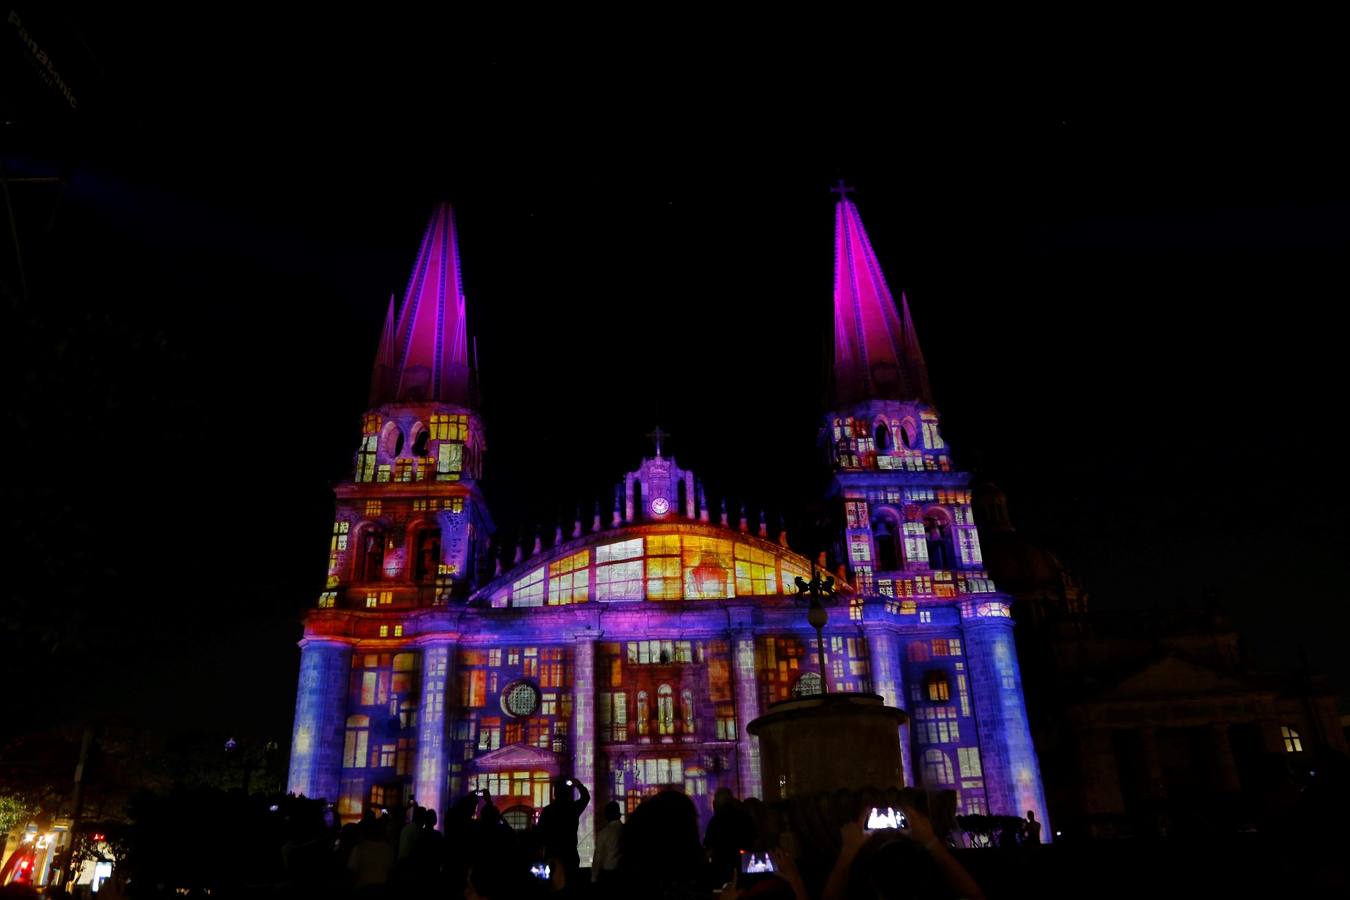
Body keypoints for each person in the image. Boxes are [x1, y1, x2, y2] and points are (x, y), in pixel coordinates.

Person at [536, 776, 590, 880]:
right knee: (571, 883)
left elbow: (540, 835)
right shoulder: (572, 808)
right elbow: (585, 797)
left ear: (555, 793)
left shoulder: (547, 811)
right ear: (569, 793)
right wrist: (578, 785)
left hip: (553, 854)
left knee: (554, 884)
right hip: (570, 853)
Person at [592, 801, 624, 888]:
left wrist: (594, 877)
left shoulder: (603, 833)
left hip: (607, 874)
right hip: (623, 873)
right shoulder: (626, 830)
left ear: (606, 815)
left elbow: (598, 857)